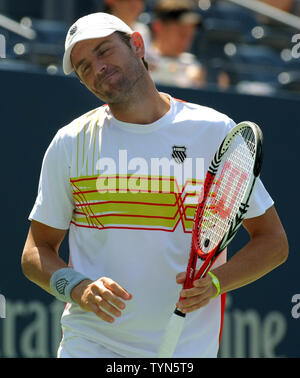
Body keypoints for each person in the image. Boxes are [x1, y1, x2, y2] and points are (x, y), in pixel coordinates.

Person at [21, 12, 289, 358]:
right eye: (84, 66)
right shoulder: (70, 142)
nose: (97, 68)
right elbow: (34, 253)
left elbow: (273, 243)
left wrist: (217, 283)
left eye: (104, 51)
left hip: (188, 351)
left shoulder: (213, 130)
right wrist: (77, 287)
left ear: (137, 44)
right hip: (89, 345)